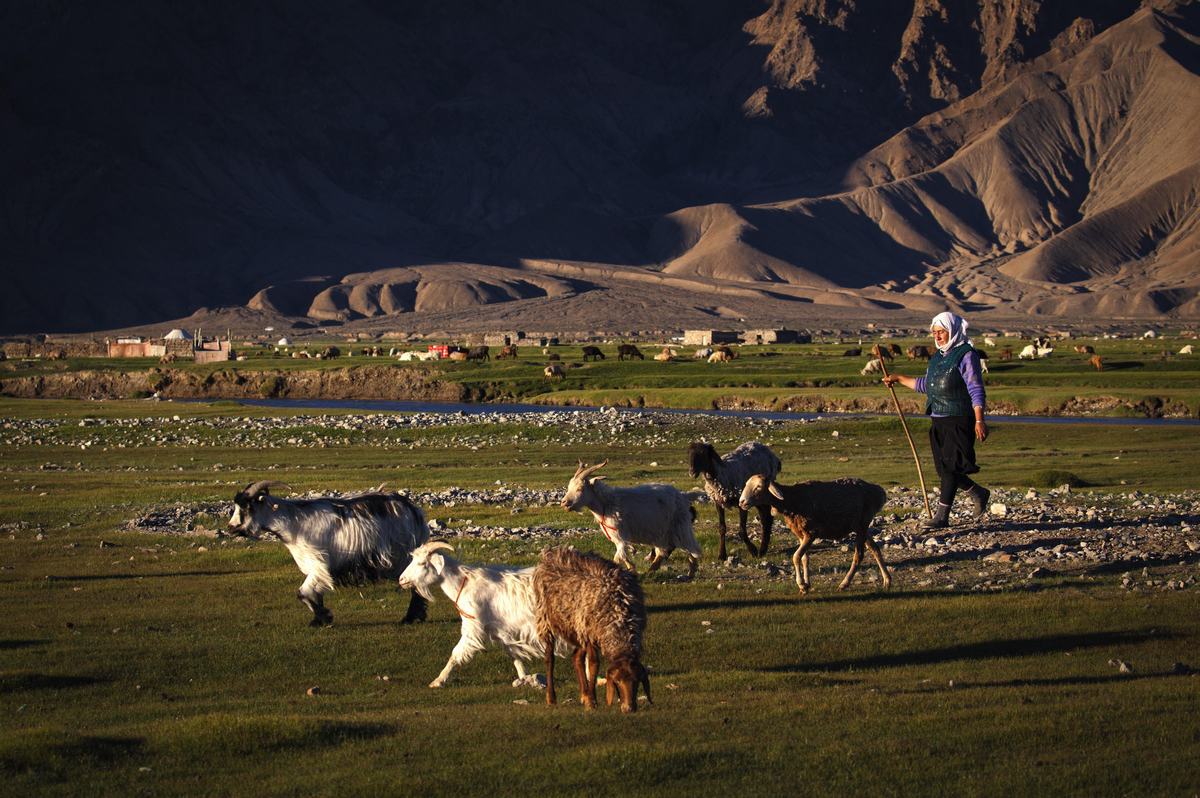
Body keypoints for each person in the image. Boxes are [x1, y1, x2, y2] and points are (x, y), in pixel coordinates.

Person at [883, 312, 989, 529]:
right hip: (938, 418)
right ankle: (978, 492)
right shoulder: (937, 358)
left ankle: (942, 516)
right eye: (934, 332)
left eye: (941, 331)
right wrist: (899, 378)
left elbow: (976, 388)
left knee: (951, 468)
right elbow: (927, 385)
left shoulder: (967, 355)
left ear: (953, 330)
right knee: (944, 470)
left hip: (959, 418)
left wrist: (979, 420)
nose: (938, 336)